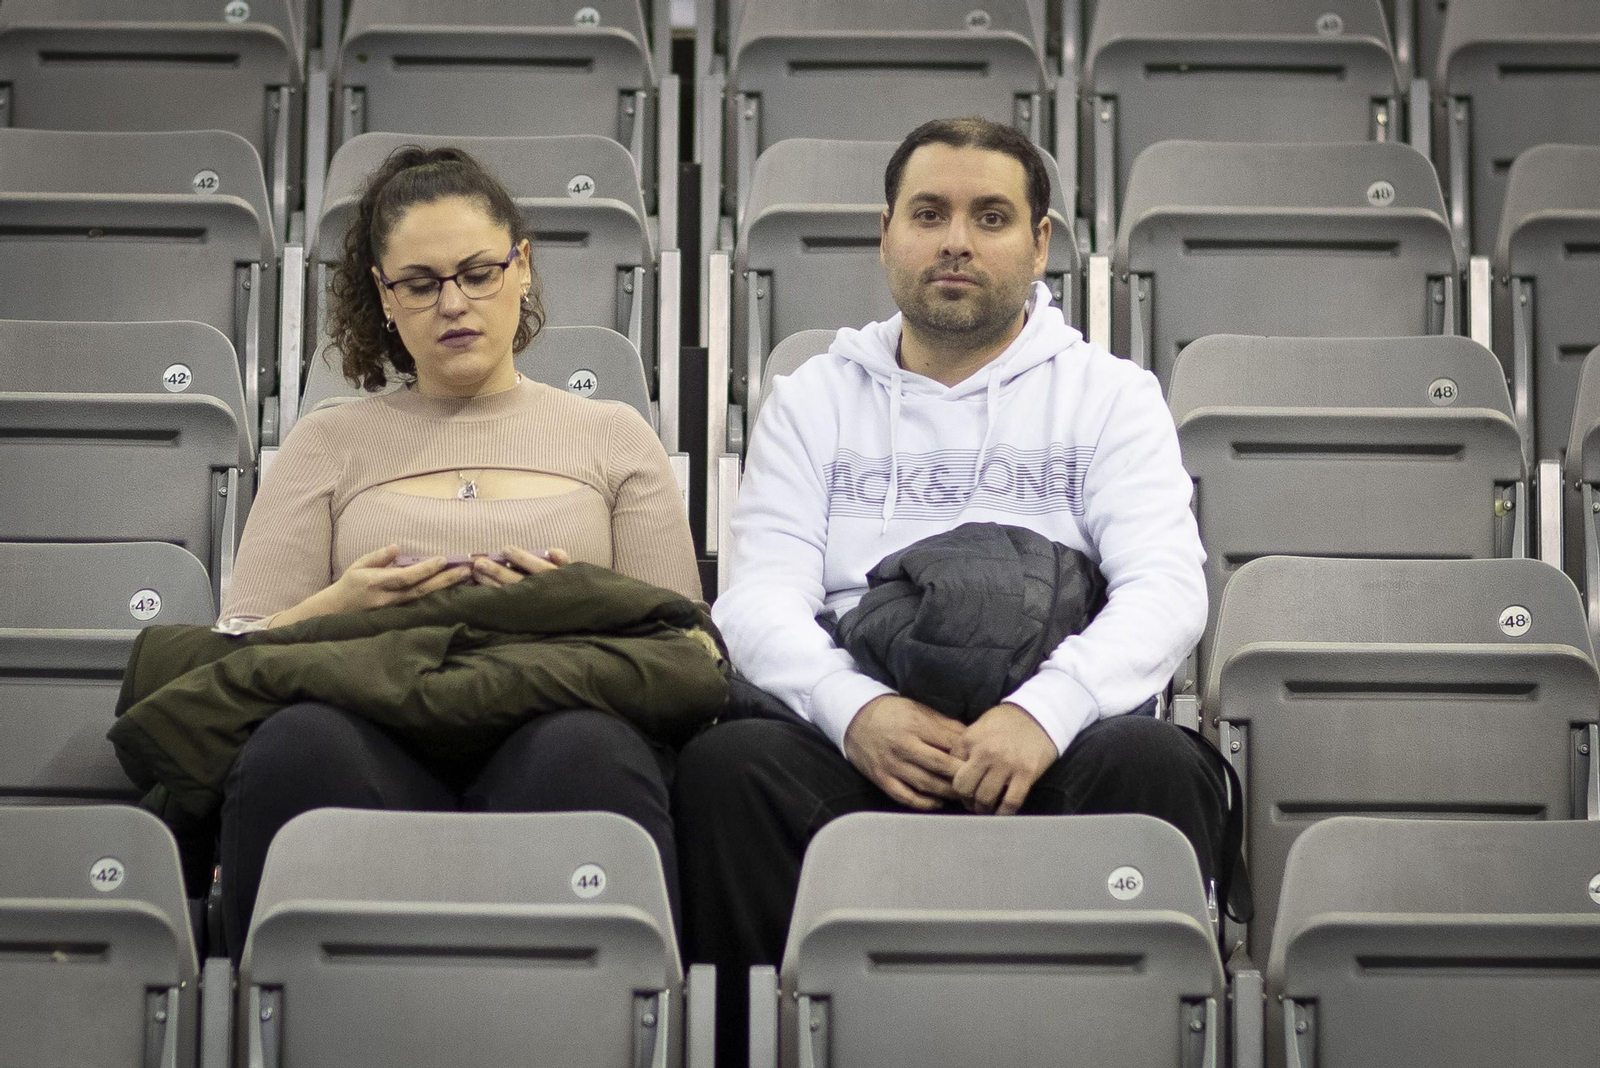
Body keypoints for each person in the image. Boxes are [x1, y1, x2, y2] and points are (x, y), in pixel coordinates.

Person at [673, 118, 1229, 1061]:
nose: (956, 241)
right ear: (886, 233)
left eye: (991, 217)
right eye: (929, 214)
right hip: (862, 745)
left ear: (1040, 242)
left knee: (1156, 763)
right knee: (729, 770)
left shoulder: (1110, 395)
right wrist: (856, 710)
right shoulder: (812, 399)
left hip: (1050, 746)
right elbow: (757, 599)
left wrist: (1044, 713)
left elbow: (1168, 588)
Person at [213, 145, 701, 954]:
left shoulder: (614, 435)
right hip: (370, 725)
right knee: (294, 750)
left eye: (478, 273)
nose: (454, 303)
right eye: (420, 283)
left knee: (591, 752)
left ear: (522, 268)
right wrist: (335, 608)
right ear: (385, 295)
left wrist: (580, 604)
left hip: (559, 719)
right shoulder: (327, 442)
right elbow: (237, 654)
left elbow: (684, 648)